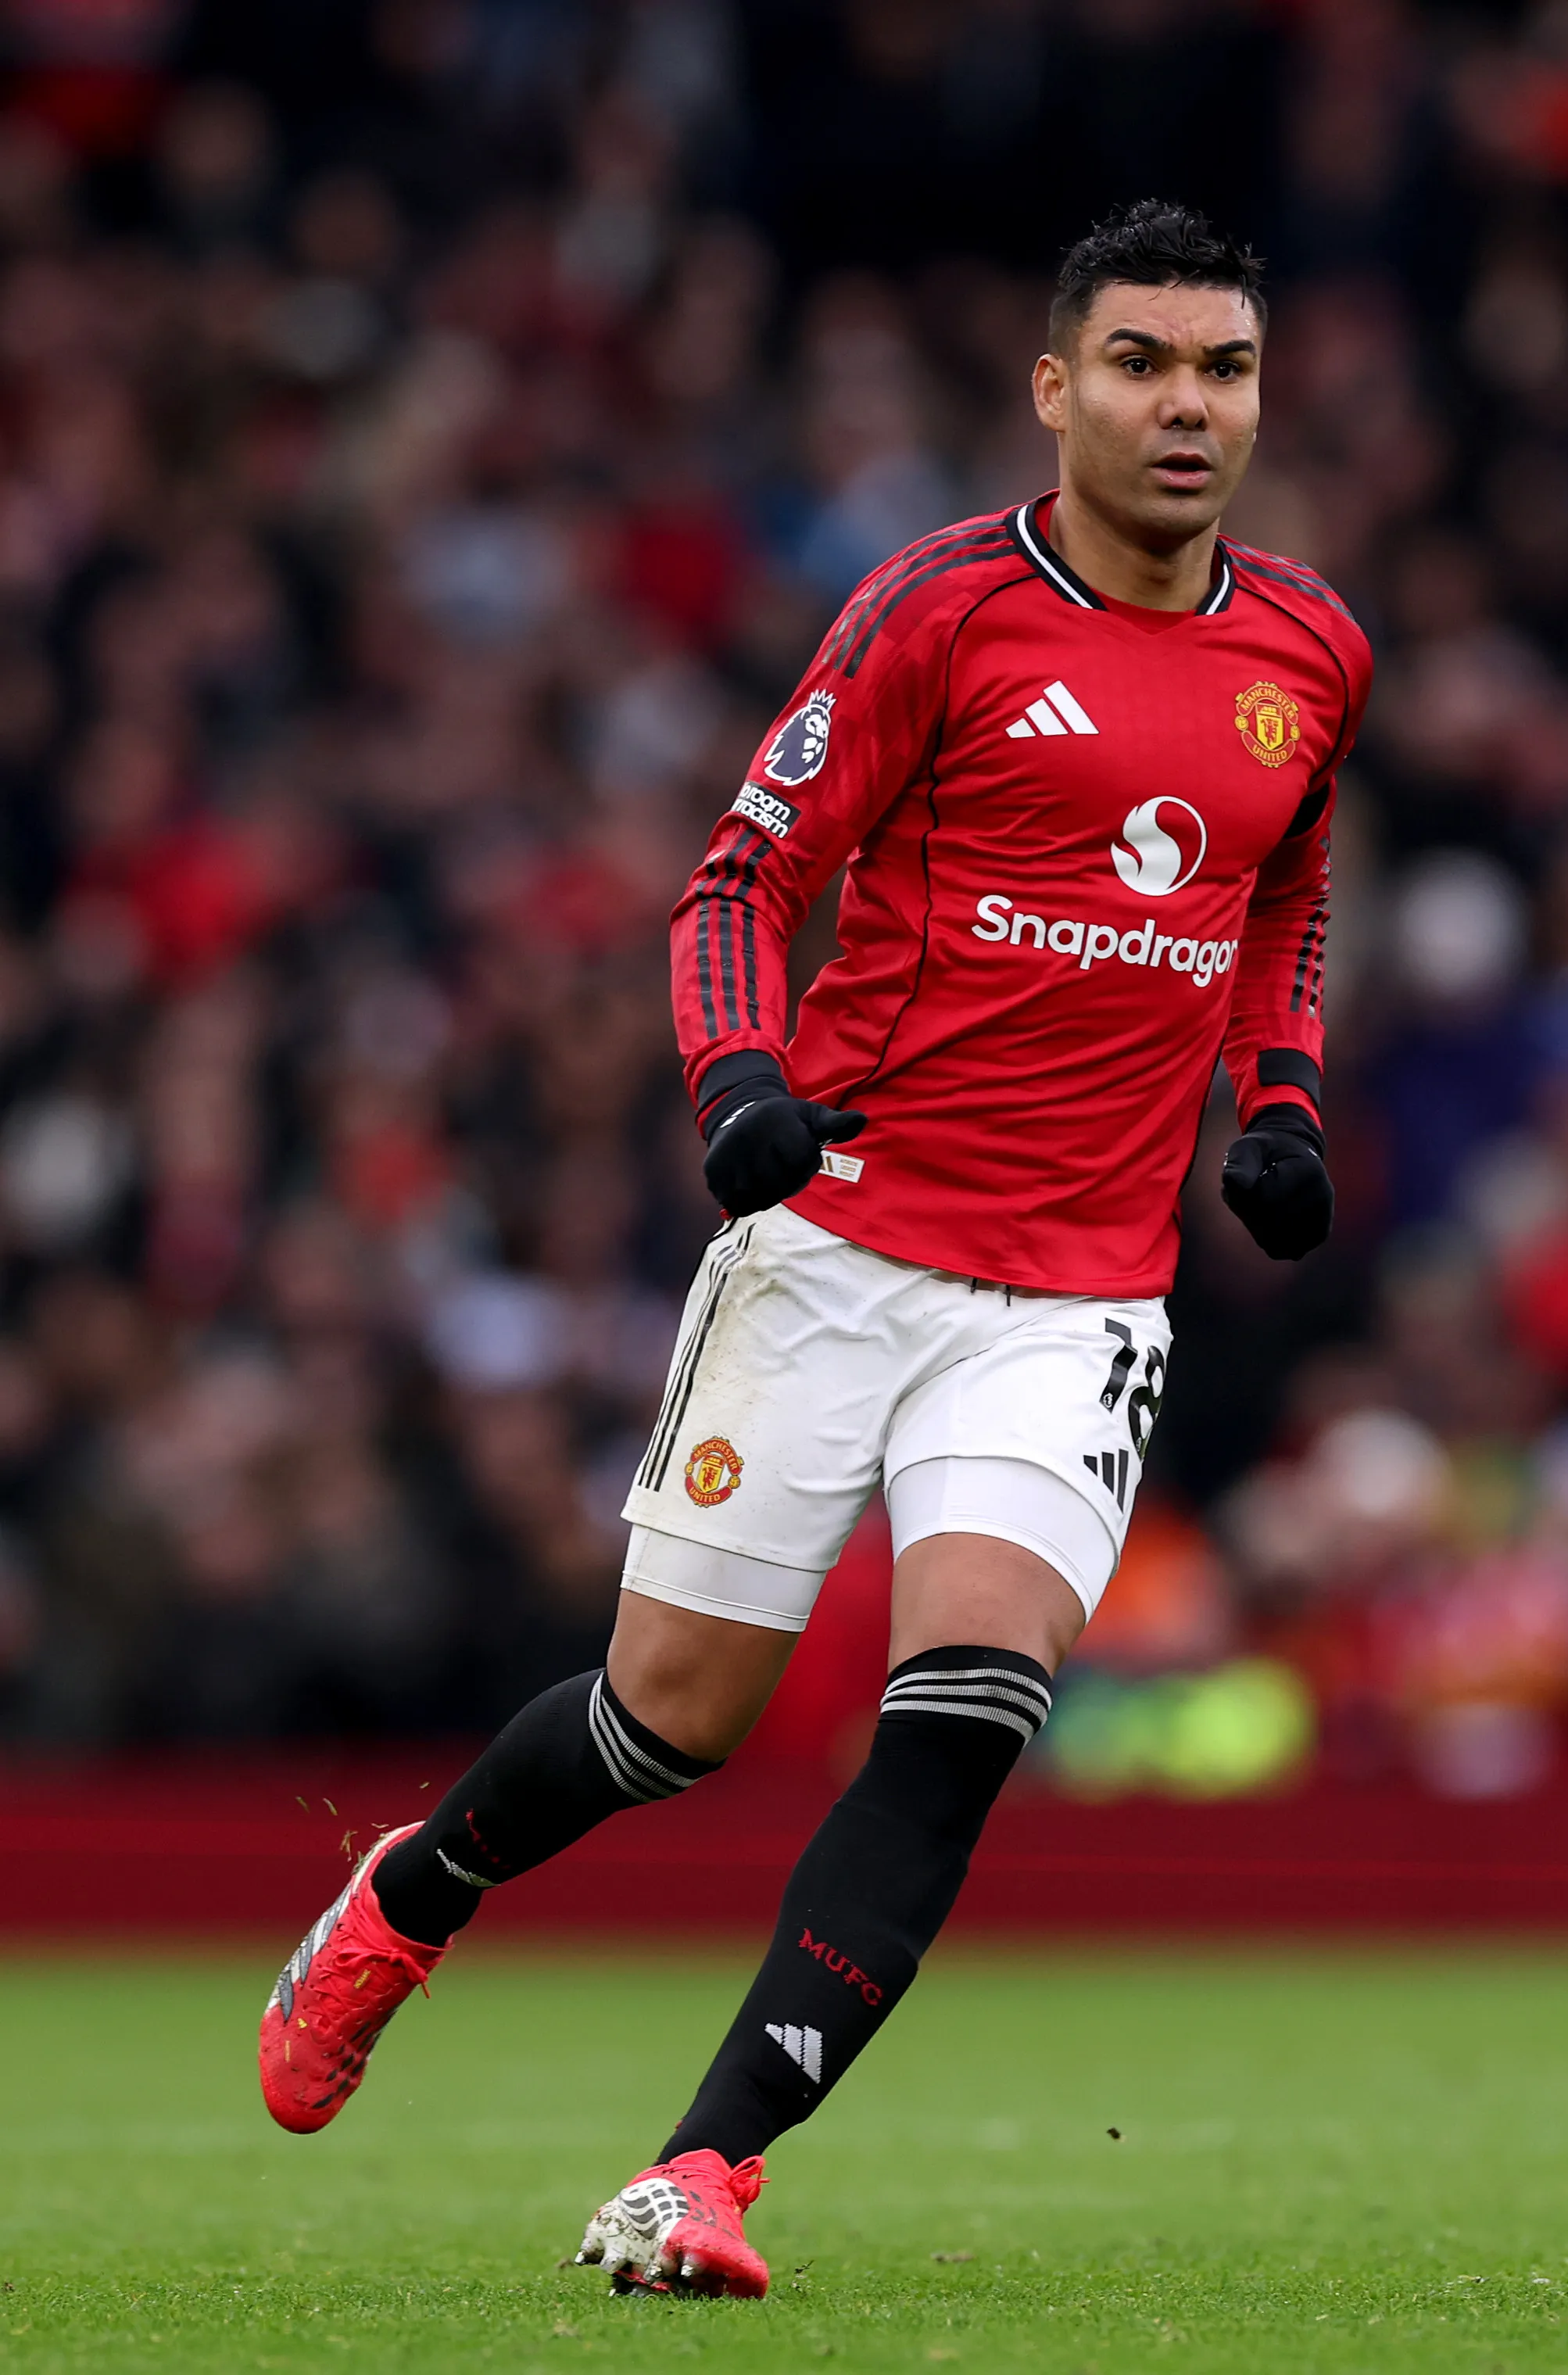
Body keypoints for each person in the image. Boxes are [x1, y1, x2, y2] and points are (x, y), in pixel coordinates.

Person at [257, 199, 1371, 2300]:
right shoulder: (938, 612)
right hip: (839, 1241)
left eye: (1219, 368)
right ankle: (412, 1888)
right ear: (1054, 389)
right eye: (1137, 363)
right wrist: (737, 1085)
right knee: (663, 1720)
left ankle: (703, 2172)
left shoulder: (1307, 648)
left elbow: (1280, 896)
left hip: (1074, 1291)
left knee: (962, 1706)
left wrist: (1281, 1094)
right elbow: (735, 877)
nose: (1183, 406)